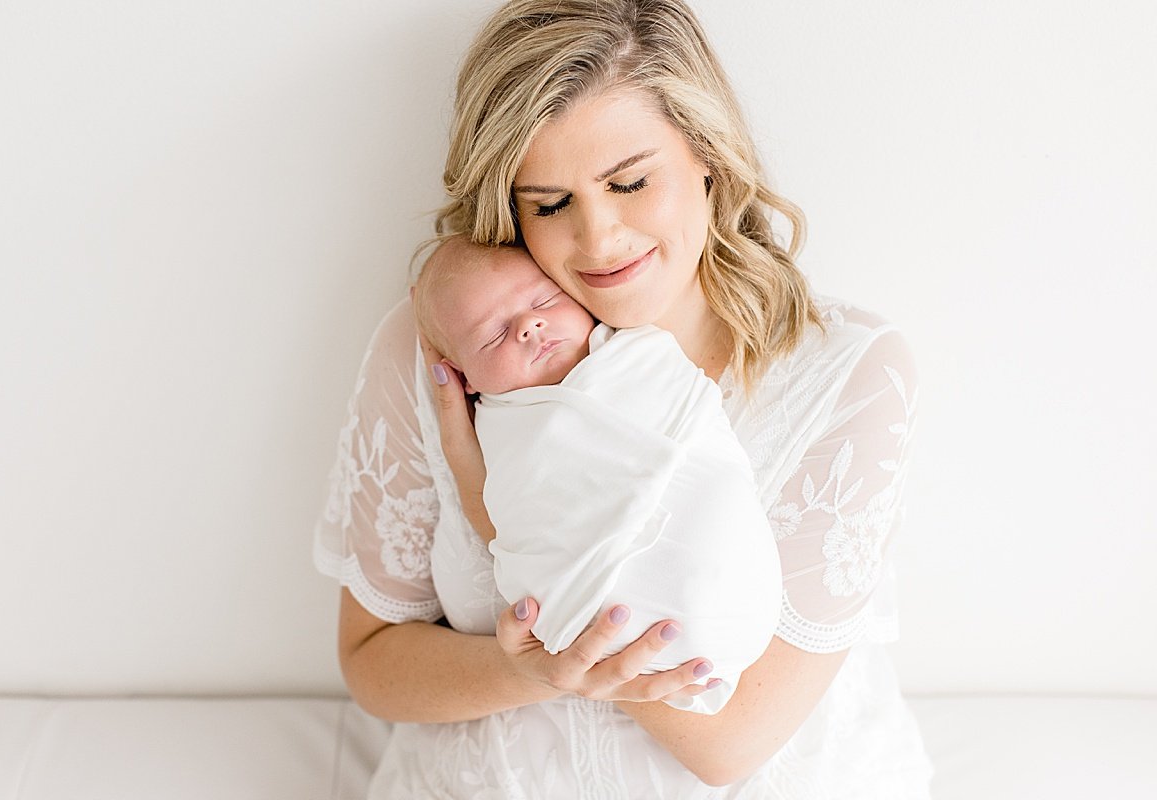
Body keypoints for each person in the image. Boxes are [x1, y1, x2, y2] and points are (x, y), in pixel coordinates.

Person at [314, 0, 934, 795]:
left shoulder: (847, 374)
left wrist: (499, 519)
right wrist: (532, 672)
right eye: (549, 203)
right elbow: (371, 664)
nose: (599, 237)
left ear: (707, 155)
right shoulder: (454, 337)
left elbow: (729, 743)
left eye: (630, 182)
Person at [410, 237, 783, 715]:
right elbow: (529, 514)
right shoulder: (496, 429)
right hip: (605, 619)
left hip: (739, 592)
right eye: (493, 335)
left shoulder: (634, 354)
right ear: (463, 377)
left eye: (544, 301)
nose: (529, 325)